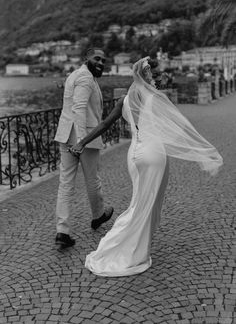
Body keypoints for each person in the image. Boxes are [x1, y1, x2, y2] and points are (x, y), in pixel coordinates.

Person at [70, 57, 223, 276]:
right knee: (149, 204)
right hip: (153, 152)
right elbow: (175, 125)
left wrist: (81, 142)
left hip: (134, 155)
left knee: (138, 203)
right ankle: (130, 250)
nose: (156, 78)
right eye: (154, 74)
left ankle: (133, 247)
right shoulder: (153, 96)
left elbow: (104, 124)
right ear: (148, 75)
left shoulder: (123, 99)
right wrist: (198, 149)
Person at [54, 48, 114, 248]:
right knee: (92, 180)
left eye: (103, 60)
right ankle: (98, 215)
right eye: (97, 58)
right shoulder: (86, 78)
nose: (101, 62)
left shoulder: (76, 75)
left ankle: (62, 230)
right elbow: (79, 108)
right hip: (83, 138)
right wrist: (81, 141)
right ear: (85, 58)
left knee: (65, 184)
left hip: (65, 135)